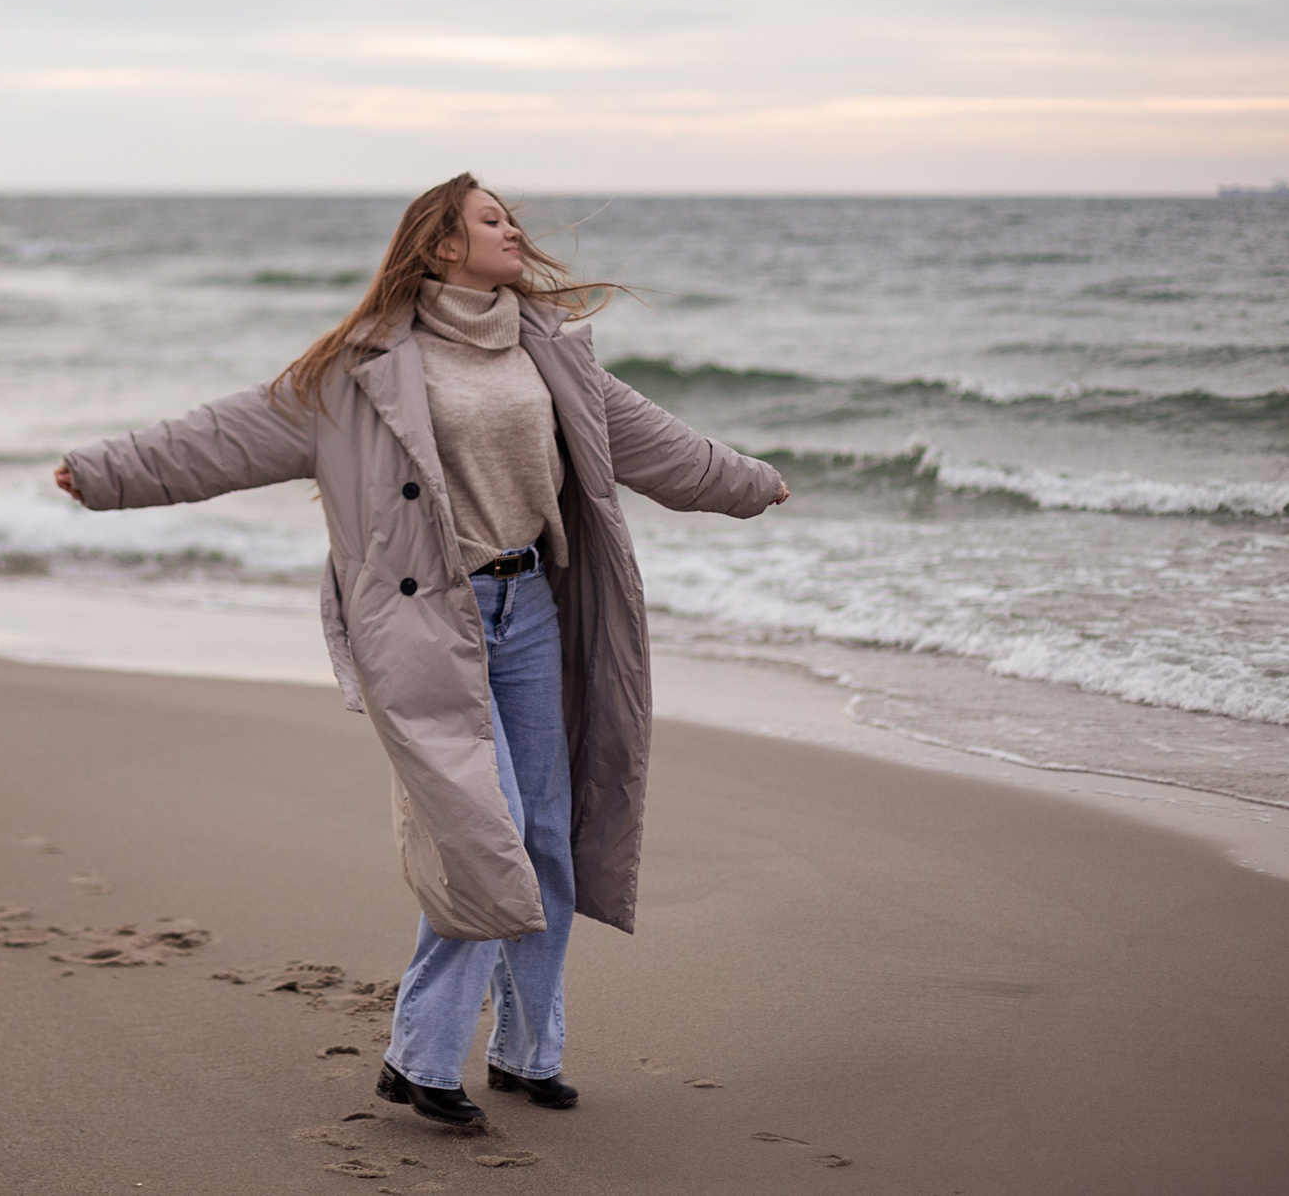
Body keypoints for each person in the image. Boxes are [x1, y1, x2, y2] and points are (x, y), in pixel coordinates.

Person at [54, 174, 788, 1128]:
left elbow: (657, 444)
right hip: (429, 625)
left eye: (511, 217)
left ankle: (528, 1051)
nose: (513, 229)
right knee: (488, 842)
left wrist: (750, 482)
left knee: (547, 840)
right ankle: (421, 1056)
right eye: (492, 219)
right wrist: (106, 472)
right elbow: (224, 435)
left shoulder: (549, 353)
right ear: (441, 245)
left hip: (531, 609)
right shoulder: (356, 371)